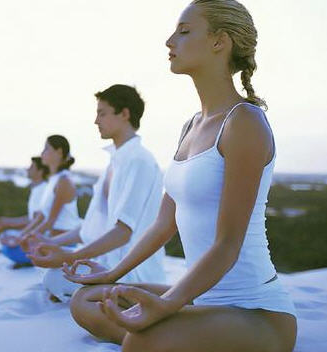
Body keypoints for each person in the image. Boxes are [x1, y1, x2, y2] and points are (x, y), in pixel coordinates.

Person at [63, 1, 298, 351]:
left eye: (184, 31)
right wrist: (112, 274)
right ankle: (173, 333)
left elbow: (227, 245)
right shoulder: (191, 125)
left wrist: (167, 305)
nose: (170, 41)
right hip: (201, 300)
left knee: (138, 343)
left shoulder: (244, 123)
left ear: (220, 42)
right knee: (86, 300)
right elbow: (163, 223)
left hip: (255, 312)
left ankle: (157, 334)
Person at [22, 84, 166, 302]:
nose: (96, 121)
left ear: (124, 114)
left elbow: (123, 233)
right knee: (52, 275)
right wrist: (51, 243)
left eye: (102, 113)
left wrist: (70, 255)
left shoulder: (139, 161)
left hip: (132, 271)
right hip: (105, 263)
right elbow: (88, 227)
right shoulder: (114, 163)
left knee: (55, 278)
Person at [0, 136, 82, 266]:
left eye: (46, 149)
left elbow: (50, 221)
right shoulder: (53, 180)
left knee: (11, 250)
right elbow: (40, 217)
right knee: (8, 245)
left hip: (64, 244)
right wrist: (21, 236)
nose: (42, 153)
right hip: (50, 240)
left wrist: (25, 239)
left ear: (59, 152)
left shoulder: (64, 181)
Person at [0, 156, 49, 256]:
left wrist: (19, 235)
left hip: (42, 239)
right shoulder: (37, 188)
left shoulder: (43, 189)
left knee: (9, 248)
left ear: (40, 171)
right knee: (6, 235)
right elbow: (32, 218)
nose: (27, 169)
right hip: (36, 236)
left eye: (31, 167)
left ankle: (12, 252)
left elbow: (39, 221)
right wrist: (6, 221)